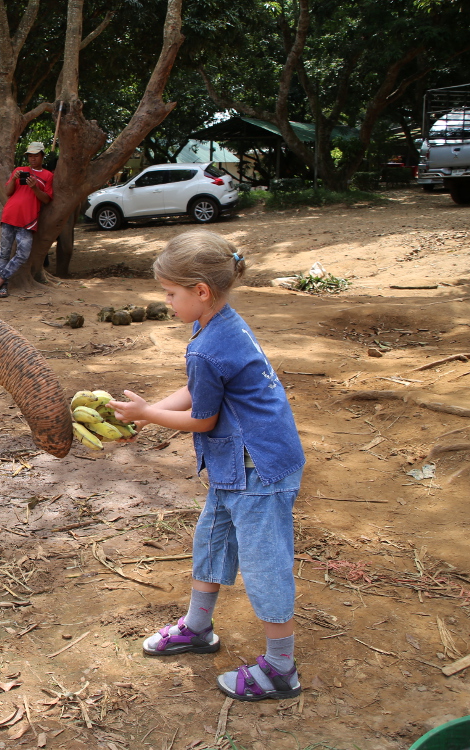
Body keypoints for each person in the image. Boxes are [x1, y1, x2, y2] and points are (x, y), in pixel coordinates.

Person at [109, 229, 306, 703]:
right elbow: (202, 389)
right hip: (235, 464)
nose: (166, 302)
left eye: (170, 294)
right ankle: (198, 628)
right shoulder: (220, 323)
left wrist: (147, 415)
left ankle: (281, 669)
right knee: (212, 541)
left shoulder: (206, 344)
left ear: (201, 292)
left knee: (264, 565)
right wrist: (151, 408)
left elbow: (203, 418)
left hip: (257, 468)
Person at [0, 141, 53, 298]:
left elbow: (46, 199)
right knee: (4, 252)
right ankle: (3, 286)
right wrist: (13, 179)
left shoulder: (48, 176)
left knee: (23, 253)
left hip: (28, 220)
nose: (32, 159)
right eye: (30, 156)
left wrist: (34, 187)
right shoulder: (19, 170)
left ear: (42, 156)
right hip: (9, 215)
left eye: (36, 156)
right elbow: (8, 192)